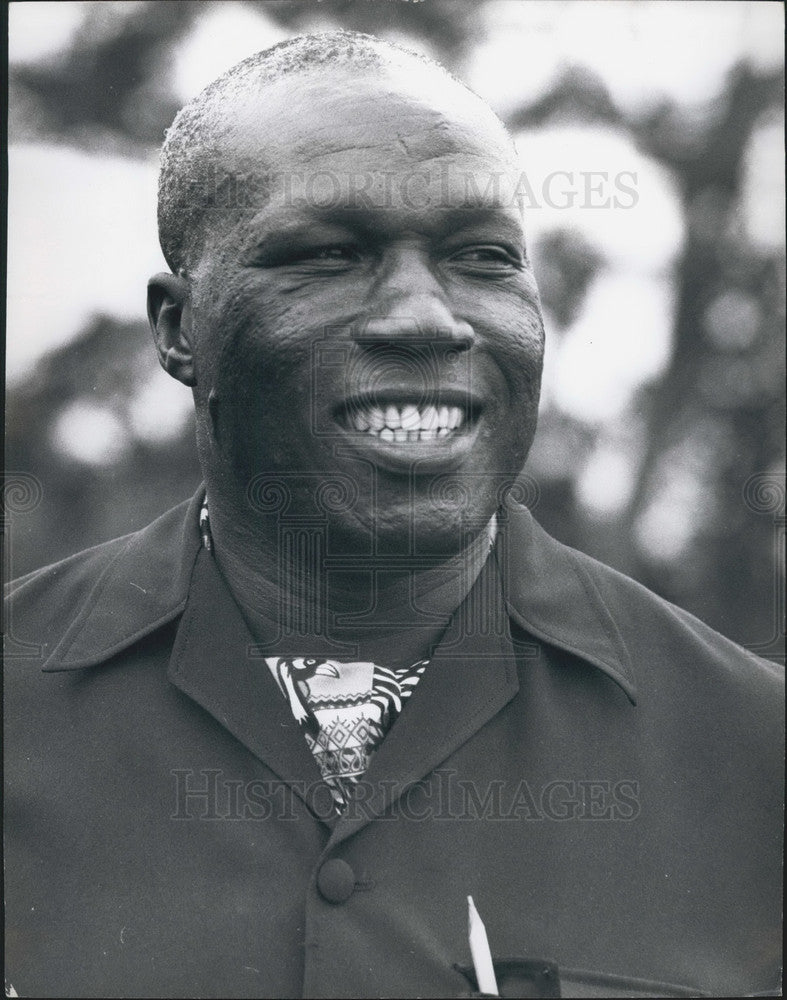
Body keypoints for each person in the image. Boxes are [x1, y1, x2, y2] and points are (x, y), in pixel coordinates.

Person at [4, 31, 782, 1000]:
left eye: (482, 257)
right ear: (179, 329)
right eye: (330, 255)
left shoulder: (756, 755)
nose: (425, 316)